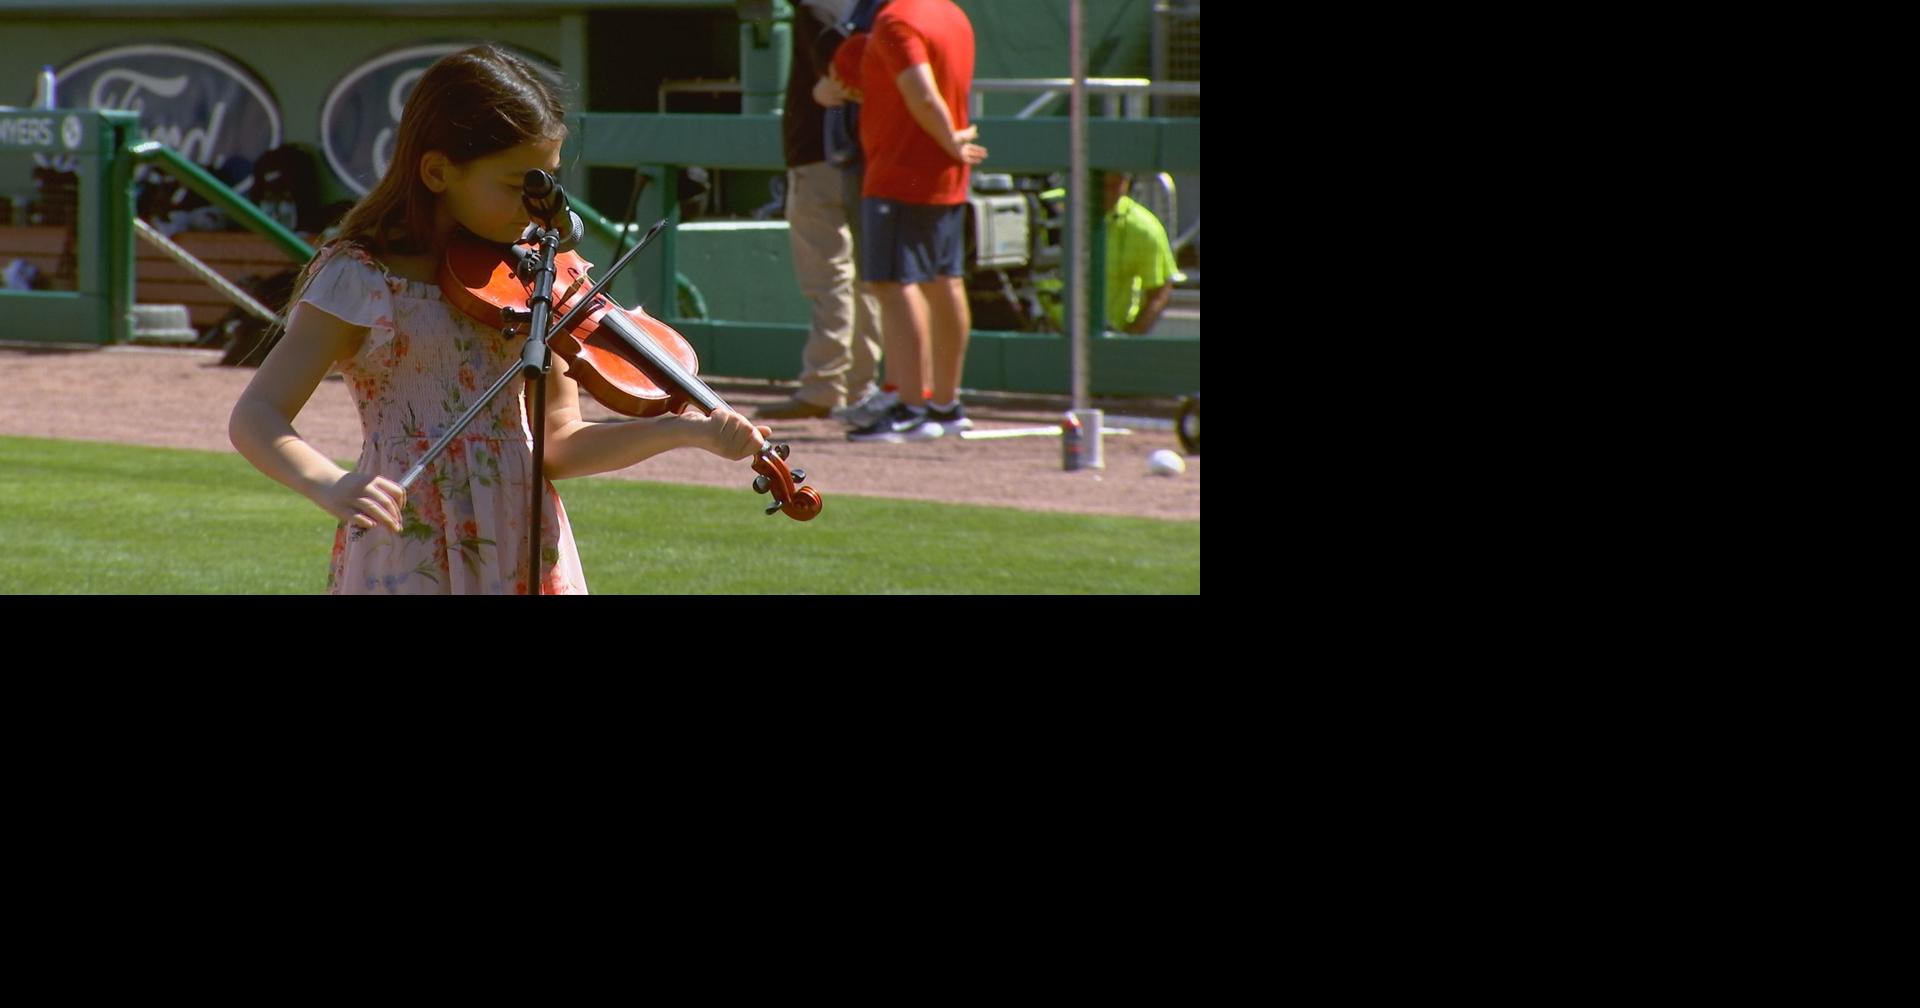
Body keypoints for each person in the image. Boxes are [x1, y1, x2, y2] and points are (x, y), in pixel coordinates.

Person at [227, 45, 771, 595]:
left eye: (548, 184)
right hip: (410, 542)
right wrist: (330, 483)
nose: (540, 209)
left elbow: (558, 443)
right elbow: (257, 414)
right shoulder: (362, 280)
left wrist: (677, 430)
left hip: (523, 540)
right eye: (518, 186)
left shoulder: (537, 279)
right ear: (438, 172)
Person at [827, 0, 986, 442]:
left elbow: (922, 92)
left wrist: (950, 139)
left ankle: (911, 406)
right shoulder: (953, 14)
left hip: (902, 170)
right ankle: (946, 405)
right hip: (944, 174)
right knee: (944, 279)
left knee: (894, 284)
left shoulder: (896, 20)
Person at [756, 0, 885, 422]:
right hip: (868, 154)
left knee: (829, 279)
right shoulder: (875, 10)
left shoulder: (816, 9)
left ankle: (825, 385)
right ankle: (861, 389)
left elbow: (837, 76)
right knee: (866, 280)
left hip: (819, 155)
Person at [1037, 172, 1186, 335]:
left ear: (1127, 184)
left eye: (1114, 186)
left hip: (1106, 340)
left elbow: (1159, 291)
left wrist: (1126, 342)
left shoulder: (1144, 230)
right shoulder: (1042, 211)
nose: (1105, 194)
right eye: (1097, 186)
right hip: (1038, 334)